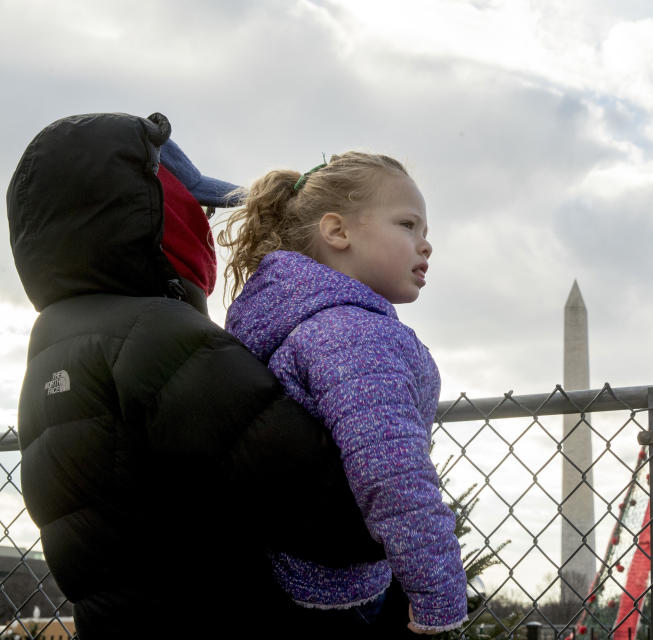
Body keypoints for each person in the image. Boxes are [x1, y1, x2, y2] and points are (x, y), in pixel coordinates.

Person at [6, 112, 387, 638]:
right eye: (197, 208)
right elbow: (335, 509)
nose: (206, 227)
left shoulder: (54, 344)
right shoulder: (158, 336)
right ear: (147, 209)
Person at [219, 153, 468, 634]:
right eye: (408, 224)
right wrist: (438, 593)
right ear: (338, 232)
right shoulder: (353, 334)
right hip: (339, 595)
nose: (427, 244)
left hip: (280, 575)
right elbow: (392, 471)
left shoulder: (287, 321)